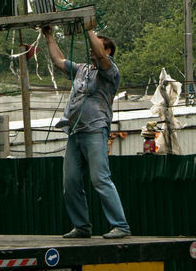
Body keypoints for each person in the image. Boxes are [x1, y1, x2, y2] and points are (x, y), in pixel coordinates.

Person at [42, 25, 131, 240]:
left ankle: (121, 225)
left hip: (94, 130)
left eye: (96, 46)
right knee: (70, 182)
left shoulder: (110, 71)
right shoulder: (83, 69)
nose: (91, 49)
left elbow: (99, 54)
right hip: (75, 131)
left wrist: (89, 28)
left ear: (107, 51)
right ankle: (81, 226)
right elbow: (59, 61)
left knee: (100, 178)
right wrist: (48, 36)